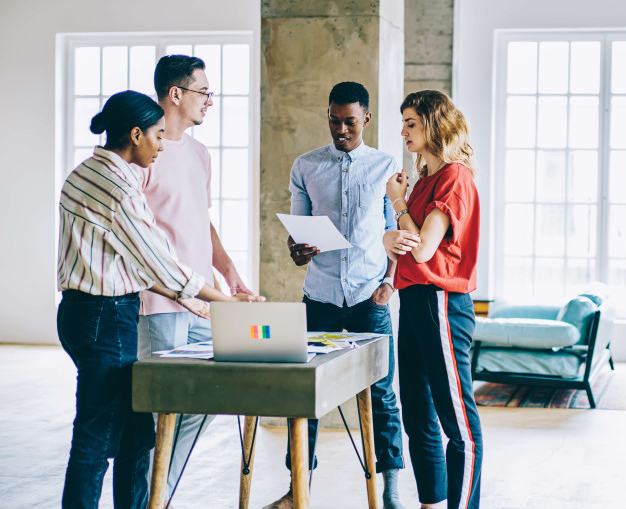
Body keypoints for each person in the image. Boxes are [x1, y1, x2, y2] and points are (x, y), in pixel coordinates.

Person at [56, 90, 263, 509]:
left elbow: (134, 263)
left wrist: (192, 300)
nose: (161, 144)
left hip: (84, 314)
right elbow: (162, 262)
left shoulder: (84, 173)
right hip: (105, 318)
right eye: (156, 135)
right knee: (95, 438)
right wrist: (223, 301)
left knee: (135, 434)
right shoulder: (121, 189)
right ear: (135, 135)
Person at [263, 82, 406, 509]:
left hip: (369, 298)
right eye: (333, 119)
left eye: (349, 121)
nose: (340, 128)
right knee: (303, 393)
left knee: (382, 393)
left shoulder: (385, 166)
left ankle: (391, 488)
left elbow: (396, 231)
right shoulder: (305, 166)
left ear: (365, 119)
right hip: (320, 298)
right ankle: (297, 489)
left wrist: (389, 285)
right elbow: (297, 239)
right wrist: (297, 250)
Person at [137, 54, 255, 498]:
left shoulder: (201, 154)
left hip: (204, 303)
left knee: (209, 397)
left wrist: (230, 273)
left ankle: (157, 495)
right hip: (160, 304)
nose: (211, 101)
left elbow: (201, 221)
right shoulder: (143, 152)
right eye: (205, 92)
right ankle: (151, 498)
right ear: (176, 94)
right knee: (165, 410)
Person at [383, 90, 483, 509]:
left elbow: (422, 250)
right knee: (419, 417)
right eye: (403, 122)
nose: (404, 130)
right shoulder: (425, 180)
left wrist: (397, 204)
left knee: (457, 422)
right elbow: (404, 243)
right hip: (413, 301)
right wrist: (391, 235)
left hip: (441, 303)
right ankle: (431, 503)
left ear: (434, 124)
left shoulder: (454, 176)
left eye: (412, 122)